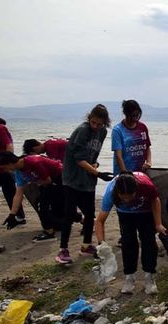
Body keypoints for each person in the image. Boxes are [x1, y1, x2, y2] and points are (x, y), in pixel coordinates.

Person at [57, 104, 113, 264]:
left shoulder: (102, 132)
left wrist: (95, 166)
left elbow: (92, 156)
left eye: (99, 124)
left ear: (105, 123)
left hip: (88, 179)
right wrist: (98, 174)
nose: (96, 127)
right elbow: (79, 158)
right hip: (72, 178)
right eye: (93, 122)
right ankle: (63, 250)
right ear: (89, 119)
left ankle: (86, 246)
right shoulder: (82, 130)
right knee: (69, 213)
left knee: (89, 214)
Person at [95, 171, 166, 294]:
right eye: (123, 197)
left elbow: (155, 200)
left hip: (145, 211)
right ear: (118, 193)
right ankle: (129, 277)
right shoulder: (111, 192)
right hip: (125, 214)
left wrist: (158, 223)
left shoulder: (146, 185)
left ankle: (149, 277)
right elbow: (100, 221)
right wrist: (101, 243)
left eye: (130, 196)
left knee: (148, 241)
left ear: (136, 189)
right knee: (128, 242)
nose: (127, 199)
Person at [0, 152, 64, 242]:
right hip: (47, 183)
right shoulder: (19, 172)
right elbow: (18, 193)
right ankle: (81, 220)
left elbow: (47, 180)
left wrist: (36, 183)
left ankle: (49, 234)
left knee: (42, 206)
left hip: (61, 179)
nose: (5, 170)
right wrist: (12, 214)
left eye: (4, 168)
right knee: (49, 207)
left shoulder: (33, 162)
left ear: (9, 163)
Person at [0, 116, 25, 224]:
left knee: (10, 191)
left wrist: (9, 163)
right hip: (1, 167)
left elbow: (8, 145)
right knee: (10, 191)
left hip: (4, 167)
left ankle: (19, 217)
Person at [112, 100, 152, 175]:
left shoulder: (142, 127)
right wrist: (124, 173)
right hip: (123, 173)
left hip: (140, 173)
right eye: (132, 116)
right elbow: (118, 155)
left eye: (137, 115)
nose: (135, 119)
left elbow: (147, 147)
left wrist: (148, 162)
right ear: (126, 114)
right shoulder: (117, 130)